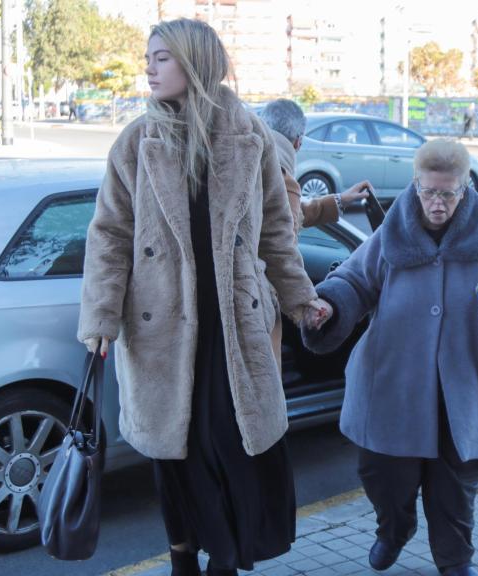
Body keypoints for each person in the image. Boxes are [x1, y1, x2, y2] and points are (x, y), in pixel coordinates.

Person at [77, 18, 332, 576]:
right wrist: (100, 316)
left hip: (233, 322)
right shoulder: (136, 142)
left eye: (161, 56)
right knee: (175, 449)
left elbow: (274, 234)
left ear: (195, 62)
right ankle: (181, 555)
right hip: (160, 325)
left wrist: (299, 297)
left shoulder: (251, 139)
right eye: (149, 56)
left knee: (230, 443)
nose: (148, 67)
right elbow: (110, 234)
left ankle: (225, 556)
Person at [302, 139, 478, 576]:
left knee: (455, 486)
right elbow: (355, 280)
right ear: (416, 185)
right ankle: (394, 529)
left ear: (466, 190)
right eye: (429, 192)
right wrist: (330, 305)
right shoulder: (393, 232)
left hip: (463, 389)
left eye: (448, 193)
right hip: (394, 384)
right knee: (383, 476)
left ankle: (456, 561)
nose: (438, 204)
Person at [259, 98, 370, 232]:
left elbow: (290, 214)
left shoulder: (243, 161)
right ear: (298, 142)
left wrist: (340, 200)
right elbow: (282, 244)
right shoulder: (283, 180)